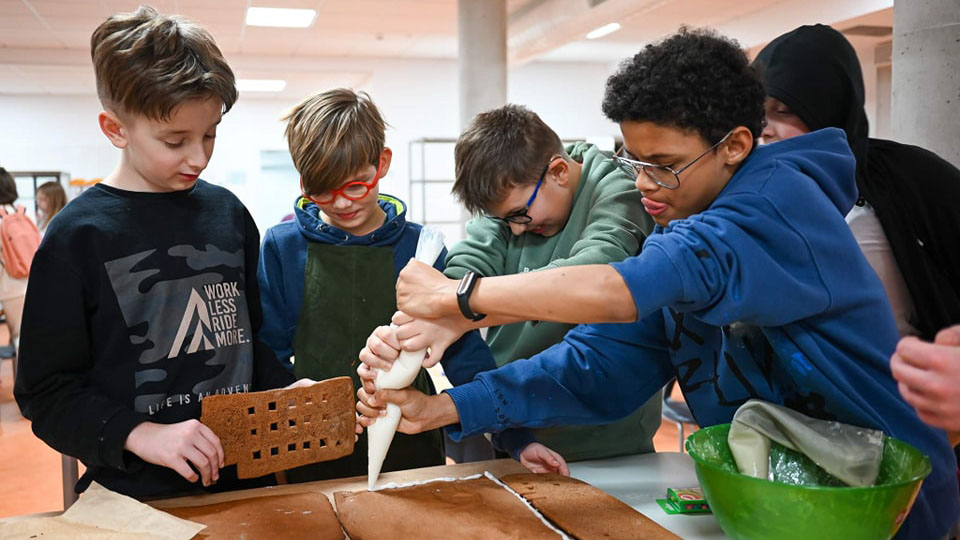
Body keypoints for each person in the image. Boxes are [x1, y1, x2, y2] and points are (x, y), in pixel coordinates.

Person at [357, 28, 959, 539]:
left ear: (735, 146)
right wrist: (443, 408)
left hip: (878, 505)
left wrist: (461, 301)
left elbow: (619, 289)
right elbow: (598, 363)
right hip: (778, 499)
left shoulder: (774, 208)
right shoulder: (683, 220)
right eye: (633, 160)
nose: (643, 182)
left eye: (664, 165)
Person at [14, 5, 307, 499]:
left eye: (210, 135)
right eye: (175, 141)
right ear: (116, 129)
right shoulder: (76, 237)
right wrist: (140, 434)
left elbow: (248, 342)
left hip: (242, 486)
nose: (199, 156)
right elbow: (45, 393)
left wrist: (284, 390)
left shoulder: (228, 214)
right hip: (134, 495)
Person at [258, 89, 560, 481]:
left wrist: (516, 440)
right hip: (313, 451)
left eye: (356, 185)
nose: (342, 203)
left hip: (412, 444)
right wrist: (297, 400)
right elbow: (266, 356)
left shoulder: (421, 249)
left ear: (382, 163)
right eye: (322, 190)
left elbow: (465, 356)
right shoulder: (282, 247)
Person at [361, 103, 661, 464]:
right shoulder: (513, 195)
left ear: (559, 172)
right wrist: (420, 325)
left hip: (603, 440)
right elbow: (469, 261)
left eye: (520, 215)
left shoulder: (618, 193)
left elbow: (593, 274)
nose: (516, 229)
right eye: (504, 220)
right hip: (505, 419)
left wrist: (458, 305)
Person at [754, 24, 960, 340]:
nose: (765, 130)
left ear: (828, 107)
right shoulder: (756, 190)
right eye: (759, 114)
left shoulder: (909, 176)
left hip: (908, 366)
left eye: (784, 111)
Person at [0, 167, 29, 362]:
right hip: (28, 281)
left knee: (20, 343)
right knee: (22, 340)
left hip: (9, 287)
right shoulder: (21, 213)